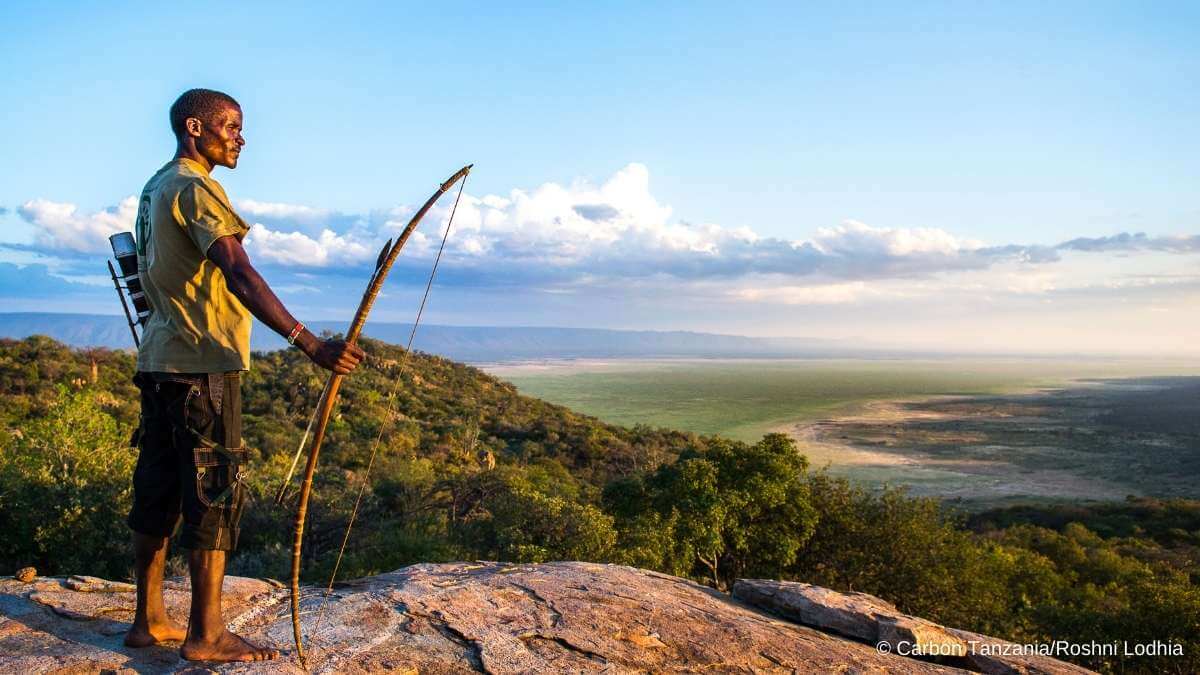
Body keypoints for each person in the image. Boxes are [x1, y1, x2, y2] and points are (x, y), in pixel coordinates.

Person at [123, 88, 364, 662]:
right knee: (213, 493)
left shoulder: (156, 185)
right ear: (194, 127)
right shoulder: (195, 188)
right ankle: (206, 635)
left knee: (157, 489)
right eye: (229, 126)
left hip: (159, 360)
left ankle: (148, 620)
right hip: (203, 365)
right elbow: (238, 270)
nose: (240, 137)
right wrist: (308, 342)